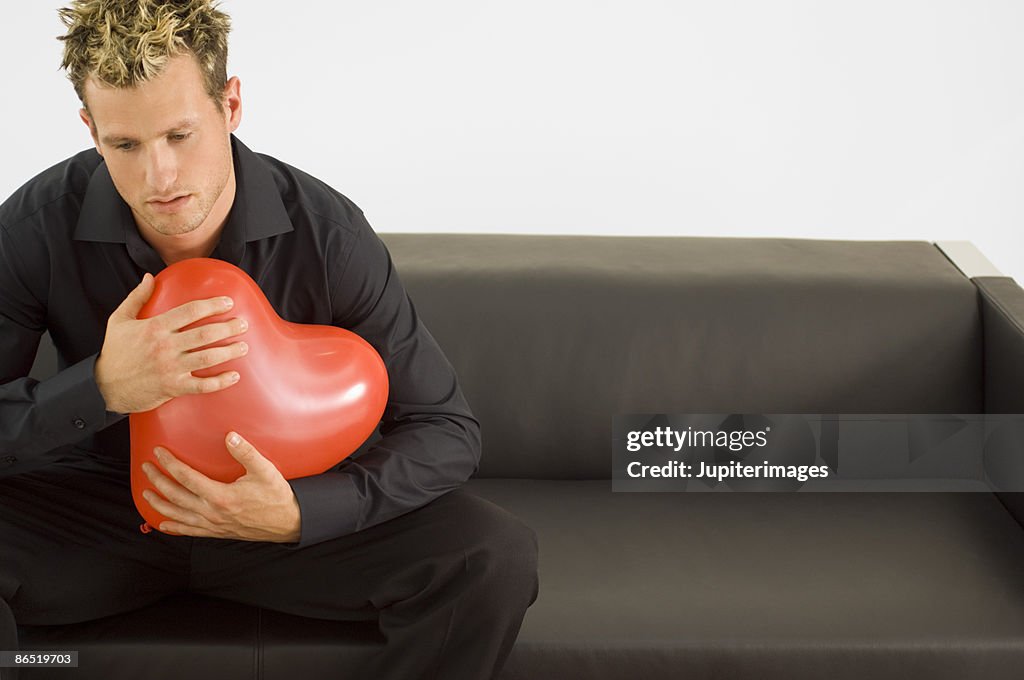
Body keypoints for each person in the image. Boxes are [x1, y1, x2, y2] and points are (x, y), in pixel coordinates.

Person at [0, 1, 539, 678]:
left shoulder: (328, 234)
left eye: (179, 135)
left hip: (279, 520)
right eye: (125, 146)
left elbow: (445, 428)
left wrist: (299, 513)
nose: (158, 178)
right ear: (90, 128)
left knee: (492, 556)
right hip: (98, 518)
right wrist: (102, 387)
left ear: (230, 105)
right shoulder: (32, 227)